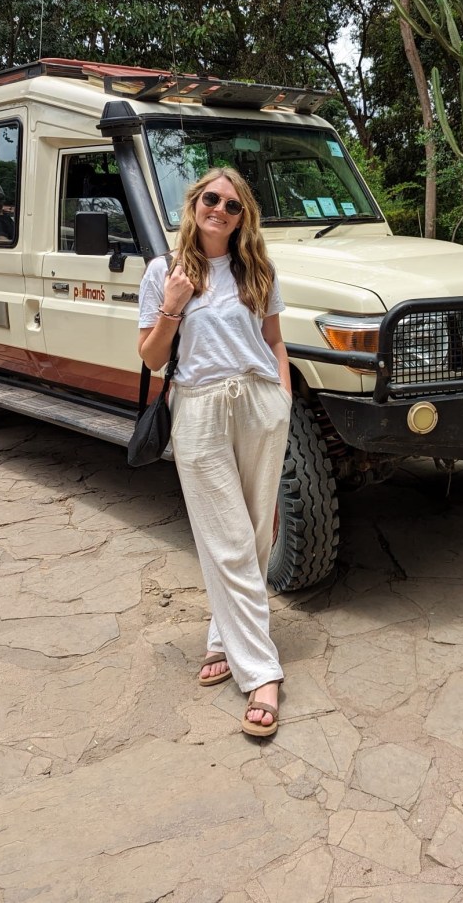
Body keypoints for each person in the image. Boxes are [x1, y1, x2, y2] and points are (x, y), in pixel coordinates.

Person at [137, 166, 292, 737]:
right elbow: (152, 357)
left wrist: (284, 396)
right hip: (199, 407)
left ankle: (223, 639)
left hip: (259, 404)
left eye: (232, 205)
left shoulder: (258, 270)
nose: (220, 210)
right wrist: (174, 303)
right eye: (211, 199)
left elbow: (274, 340)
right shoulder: (165, 272)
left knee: (255, 533)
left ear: (242, 216)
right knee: (225, 538)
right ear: (194, 203)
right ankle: (263, 672)